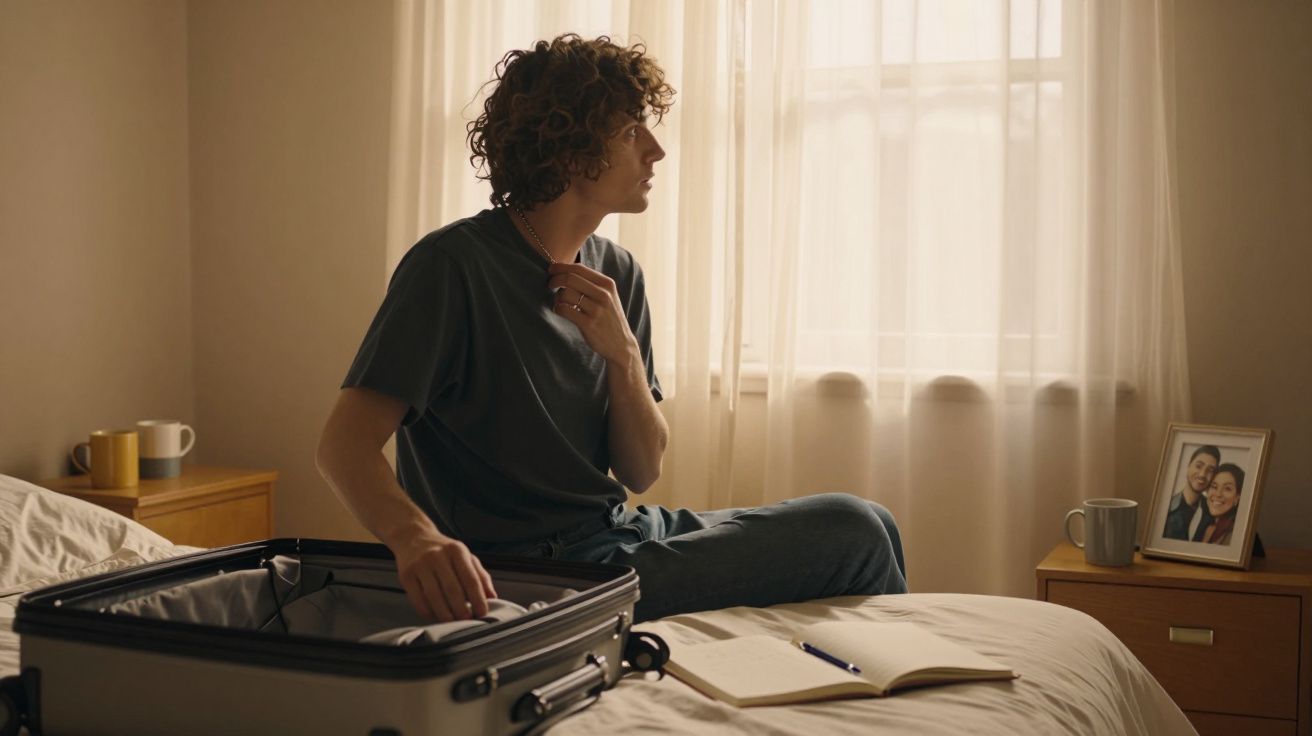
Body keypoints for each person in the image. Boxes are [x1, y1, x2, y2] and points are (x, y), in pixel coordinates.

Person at [315, 34, 908, 624]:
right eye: (631, 132)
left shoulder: (617, 271)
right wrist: (416, 540)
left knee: (875, 521)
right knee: (853, 529)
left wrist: (623, 356)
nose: (656, 150)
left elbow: (641, 471)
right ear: (571, 148)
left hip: (615, 533)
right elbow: (343, 447)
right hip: (537, 570)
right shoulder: (453, 266)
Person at [1161, 445, 1219, 541]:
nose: (1202, 474)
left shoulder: (1212, 513)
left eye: (1210, 470)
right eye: (1198, 466)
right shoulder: (1166, 507)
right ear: (1189, 466)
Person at [1195, 463, 1244, 545]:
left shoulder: (1238, 534)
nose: (1218, 494)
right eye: (1214, 486)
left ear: (1237, 498)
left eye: (1227, 489)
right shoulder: (1204, 526)